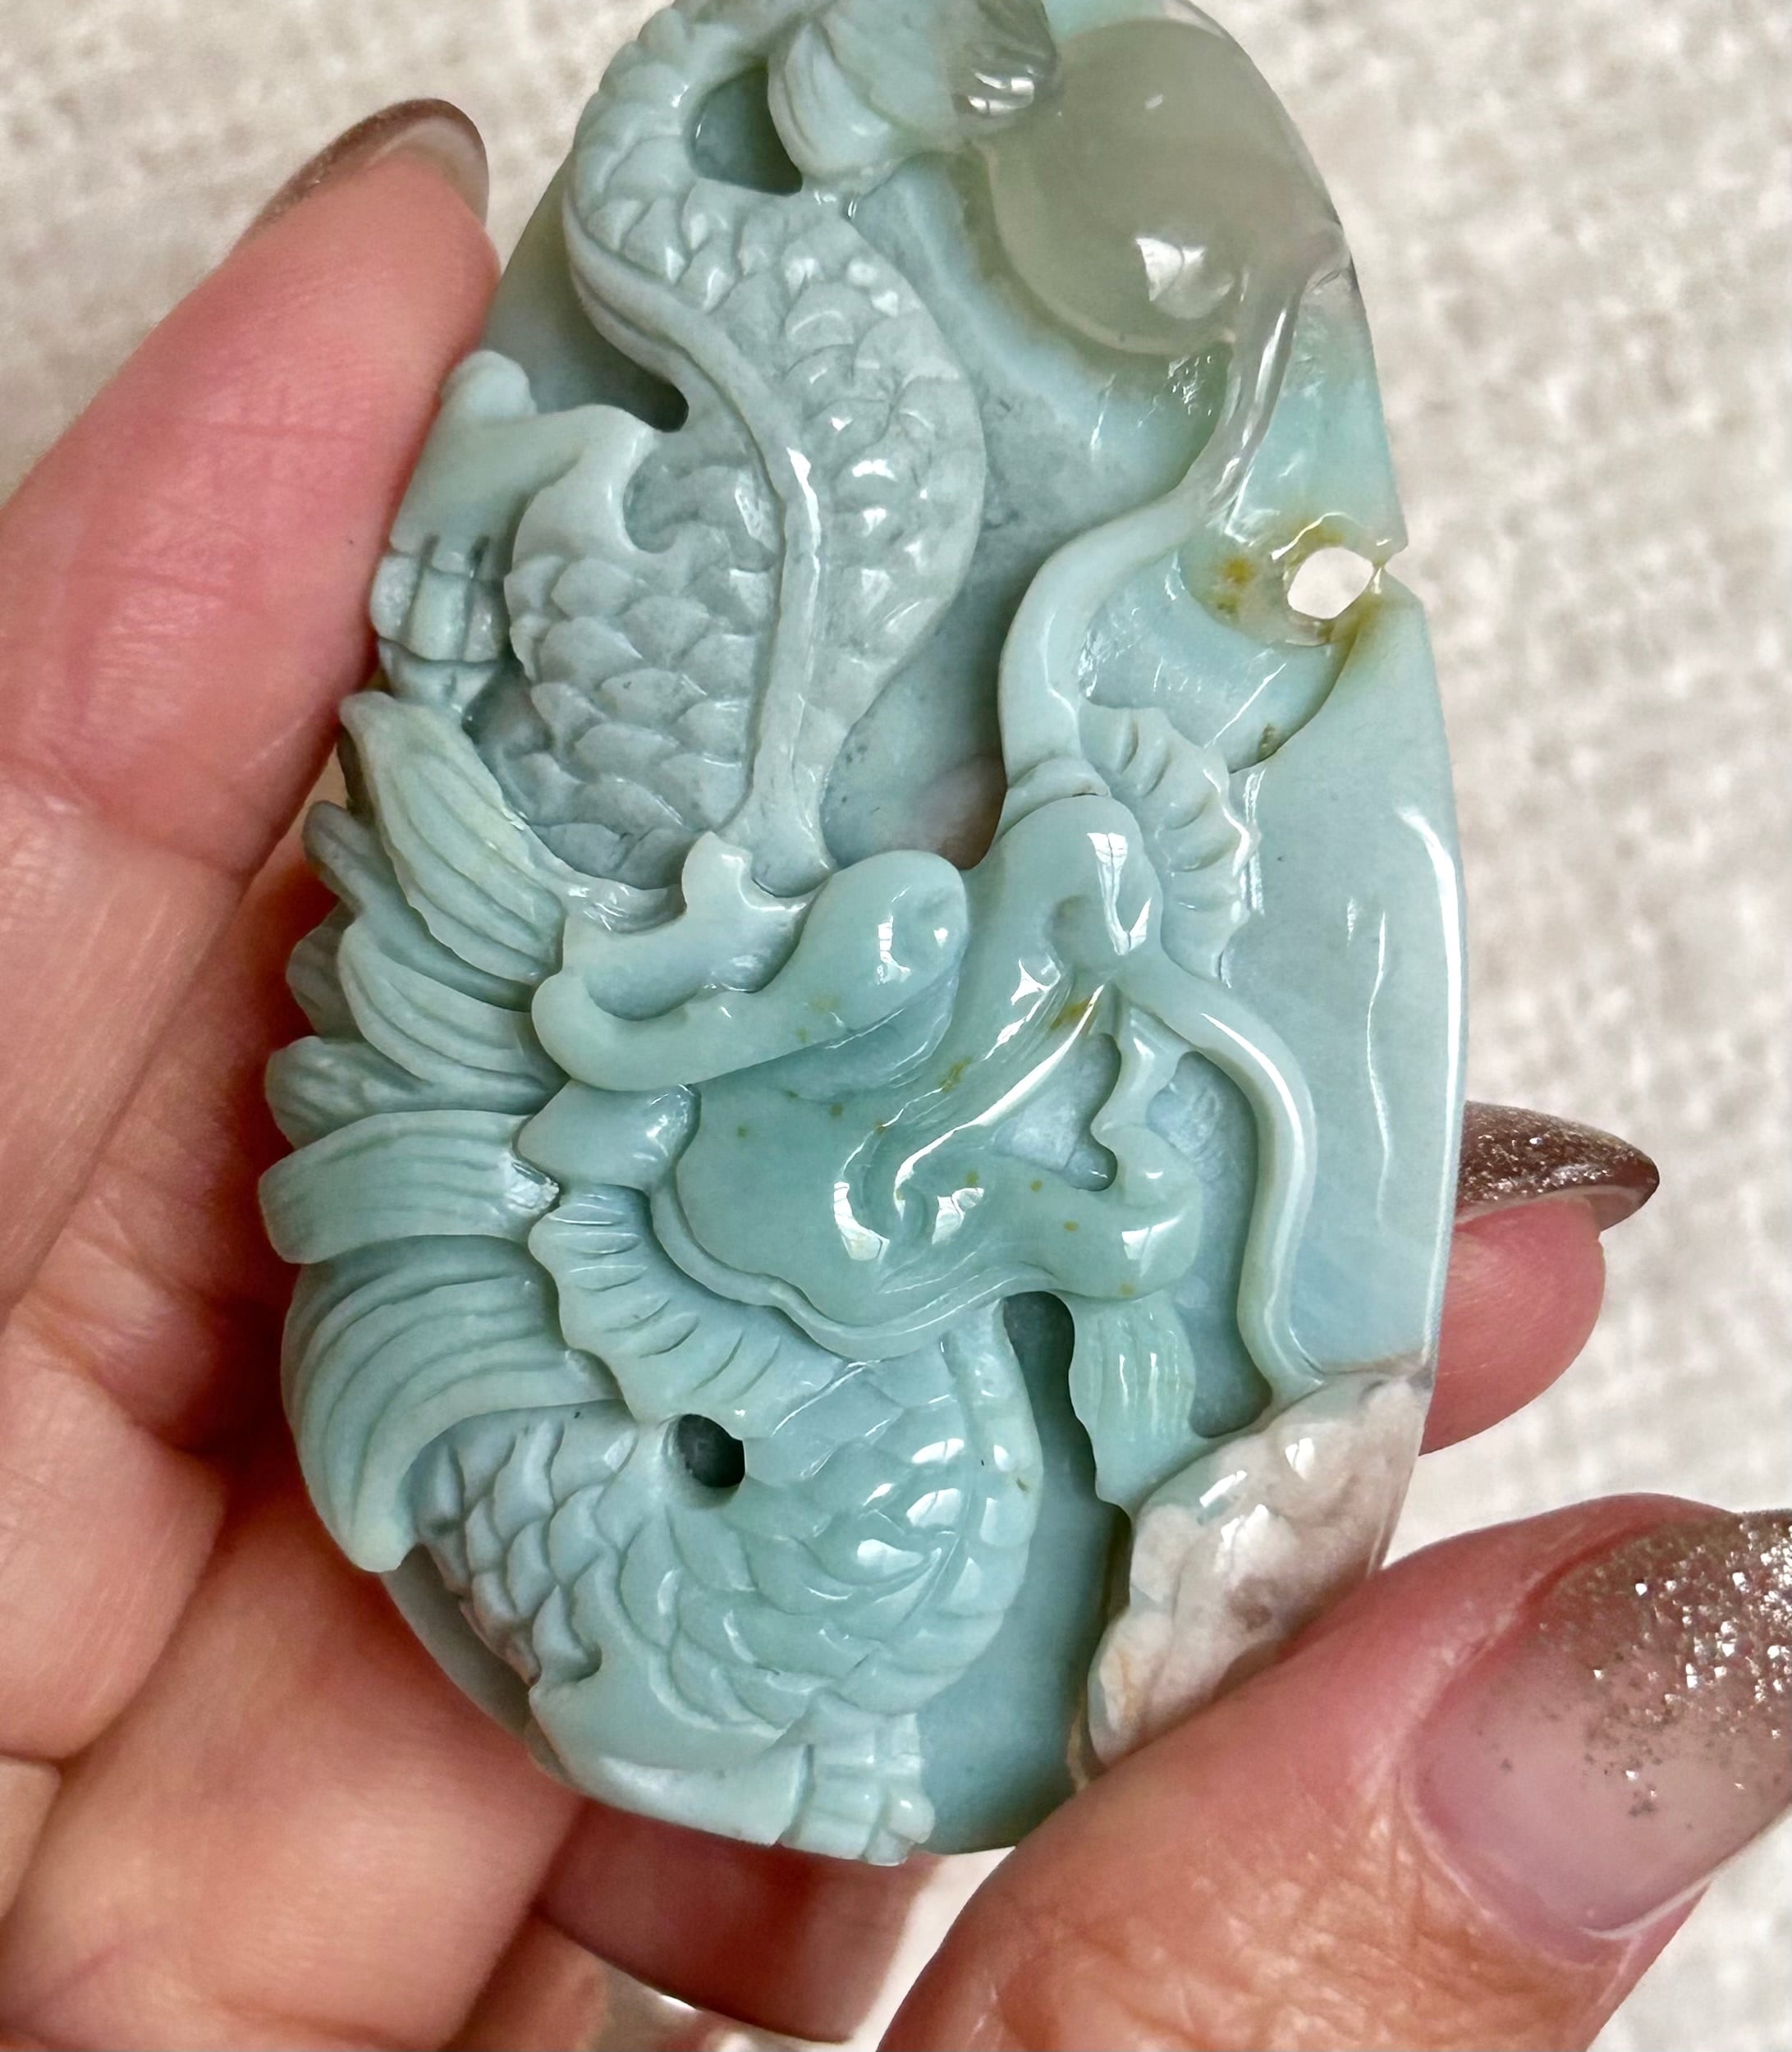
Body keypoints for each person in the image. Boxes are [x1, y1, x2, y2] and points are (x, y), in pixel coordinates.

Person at [0, 103, 1781, 2052]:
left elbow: (1025, 1202)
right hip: (672, 1389)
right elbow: (775, 1125)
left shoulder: (942, 1013)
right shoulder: (865, 981)